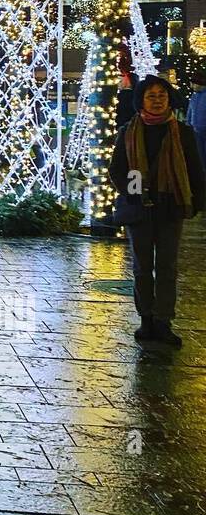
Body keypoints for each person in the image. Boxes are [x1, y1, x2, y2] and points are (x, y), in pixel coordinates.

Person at [108, 74, 204, 348]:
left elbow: (195, 169)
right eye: (152, 96)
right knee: (141, 267)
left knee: (167, 267)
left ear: (169, 100)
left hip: (170, 208)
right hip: (139, 209)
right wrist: (135, 190)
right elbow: (118, 169)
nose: (158, 101)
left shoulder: (182, 132)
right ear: (142, 101)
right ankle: (146, 318)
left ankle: (163, 321)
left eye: (162, 96)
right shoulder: (129, 131)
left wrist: (196, 202)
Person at [187, 75, 206, 175]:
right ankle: (202, 170)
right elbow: (190, 110)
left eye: (193, 84)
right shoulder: (194, 96)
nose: (192, 86)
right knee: (199, 153)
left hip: (204, 129)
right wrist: (188, 122)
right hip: (196, 130)